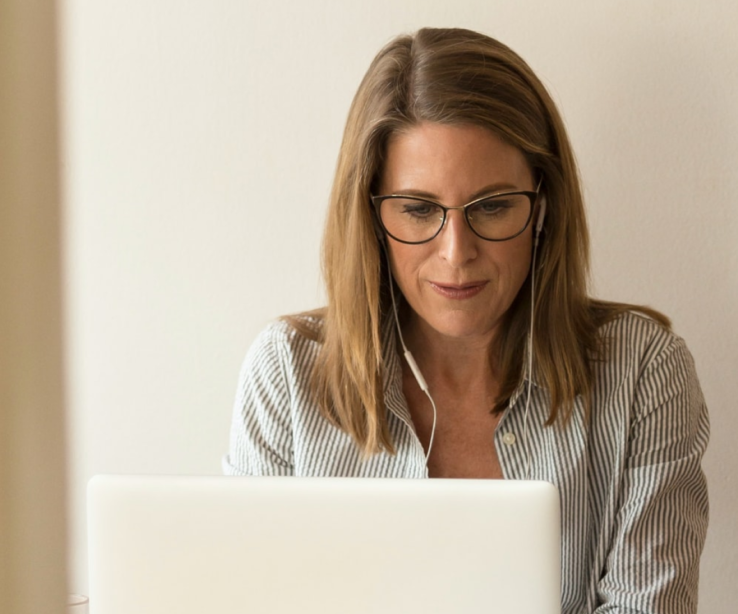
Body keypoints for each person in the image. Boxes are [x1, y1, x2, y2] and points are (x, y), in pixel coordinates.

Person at [224, 27, 709, 614]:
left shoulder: (642, 372)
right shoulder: (286, 375)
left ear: (543, 205)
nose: (456, 252)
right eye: (419, 208)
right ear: (371, 215)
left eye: (493, 206)